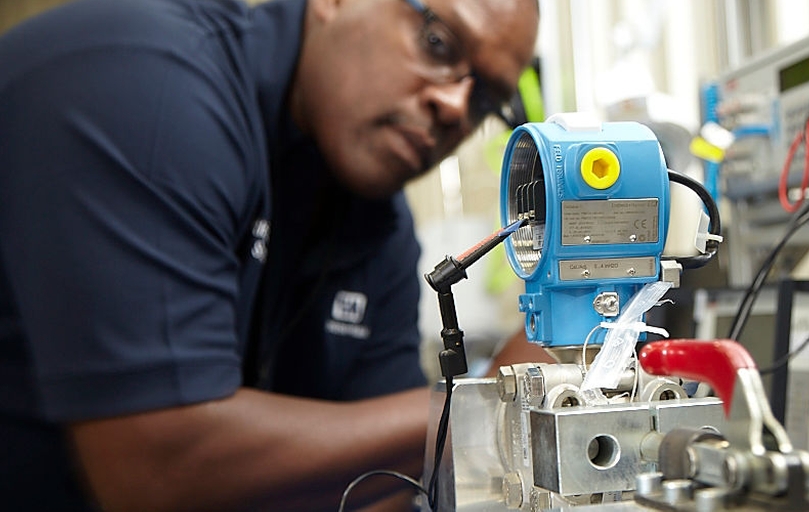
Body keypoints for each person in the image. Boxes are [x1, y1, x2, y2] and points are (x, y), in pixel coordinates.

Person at [0, 0, 539, 509]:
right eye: (438, 44)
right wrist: (486, 404)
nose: (454, 107)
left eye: (485, 99)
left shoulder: (377, 223)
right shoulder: (144, 81)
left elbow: (379, 485)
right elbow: (153, 466)